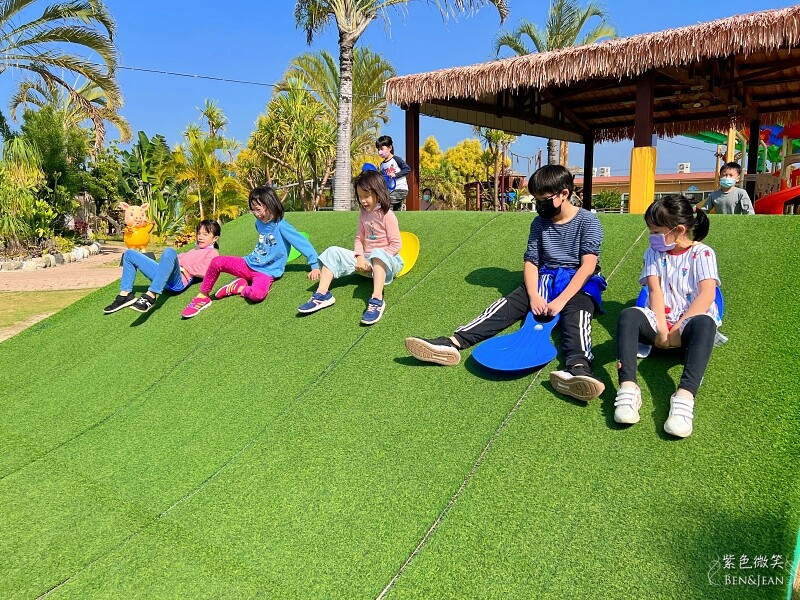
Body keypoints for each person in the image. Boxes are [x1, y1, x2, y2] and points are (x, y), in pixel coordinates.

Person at [405, 164, 607, 402]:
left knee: (578, 314)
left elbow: (587, 266)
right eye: (536, 199)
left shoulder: (587, 222)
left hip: (578, 279)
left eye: (543, 199)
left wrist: (562, 300)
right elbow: (531, 261)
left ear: (564, 194)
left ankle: (578, 369)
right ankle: (452, 343)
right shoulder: (539, 223)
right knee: (505, 306)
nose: (538, 205)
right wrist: (533, 295)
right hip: (545, 276)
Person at [613, 195, 722, 438]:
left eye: (656, 231)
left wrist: (678, 329)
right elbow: (654, 291)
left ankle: (684, 397)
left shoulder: (703, 254)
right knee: (629, 315)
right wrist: (663, 330)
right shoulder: (653, 252)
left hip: (689, 324)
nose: (652, 237)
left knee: (705, 323)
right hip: (661, 322)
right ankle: (628, 388)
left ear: (679, 230)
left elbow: (706, 295)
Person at [181, 186, 320, 318]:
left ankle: (239, 287)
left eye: (259, 209)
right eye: (253, 210)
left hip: (266, 273)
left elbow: (302, 243)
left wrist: (314, 265)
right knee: (217, 262)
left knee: (258, 294)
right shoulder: (258, 224)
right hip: (248, 263)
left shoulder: (282, 226)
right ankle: (203, 296)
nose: (257, 214)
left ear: (271, 204)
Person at [297, 169, 403, 326]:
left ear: (378, 193)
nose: (363, 201)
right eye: (360, 197)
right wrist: (360, 257)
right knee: (333, 251)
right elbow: (359, 238)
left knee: (377, 253)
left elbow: (396, 244)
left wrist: (374, 260)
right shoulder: (364, 214)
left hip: (387, 261)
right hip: (366, 262)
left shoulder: (387, 215)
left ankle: (377, 300)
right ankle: (322, 295)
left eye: (366, 196)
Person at [103, 220, 221, 314]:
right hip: (163, 276)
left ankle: (151, 295)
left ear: (215, 238)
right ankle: (125, 295)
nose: (200, 237)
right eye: (199, 233)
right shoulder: (191, 251)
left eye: (205, 234)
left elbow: (206, 271)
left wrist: (183, 265)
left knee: (169, 251)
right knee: (129, 254)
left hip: (177, 280)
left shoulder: (212, 253)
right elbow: (171, 261)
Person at [376, 135, 411, 211]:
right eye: (378, 149)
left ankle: (386, 221)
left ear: (390, 148)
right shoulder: (382, 165)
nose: (379, 151)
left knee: (387, 203)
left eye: (382, 149)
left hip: (400, 189)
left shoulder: (396, 159)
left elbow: (407, 169)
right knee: (396, 211)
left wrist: (395, 175)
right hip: (391, 191)